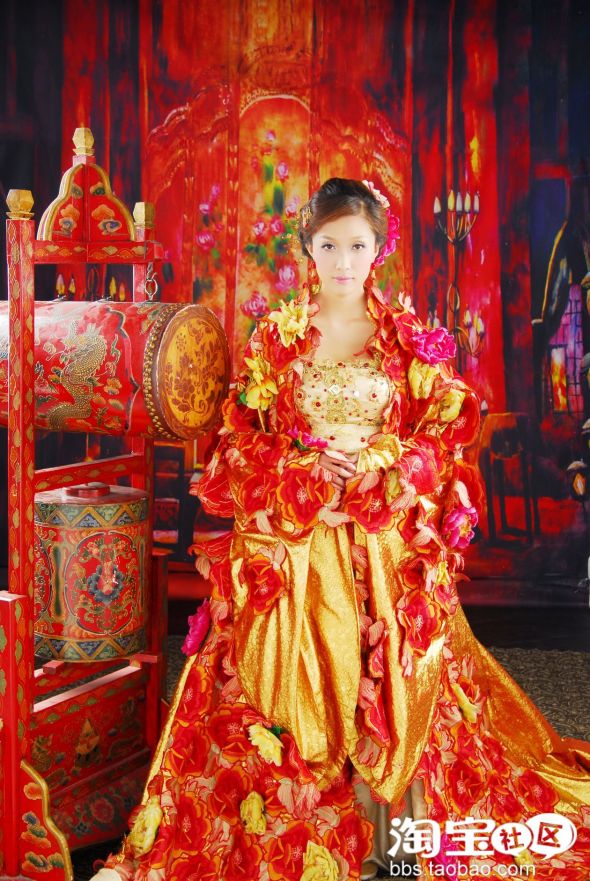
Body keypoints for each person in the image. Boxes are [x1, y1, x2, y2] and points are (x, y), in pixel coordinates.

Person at [93, 179, 590, 881]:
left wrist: (387, 461)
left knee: (396, 675)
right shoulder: (277, 340)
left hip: (381, 539)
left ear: (378, 248)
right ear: (308, 249)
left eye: (357, 246)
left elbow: (442, 436)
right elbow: (239, 440)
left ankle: (392, 825)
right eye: (329, 246)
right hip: (299, 535)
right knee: (267, 680)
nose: (344, 262)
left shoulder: (406, 340)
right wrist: (300, 466)